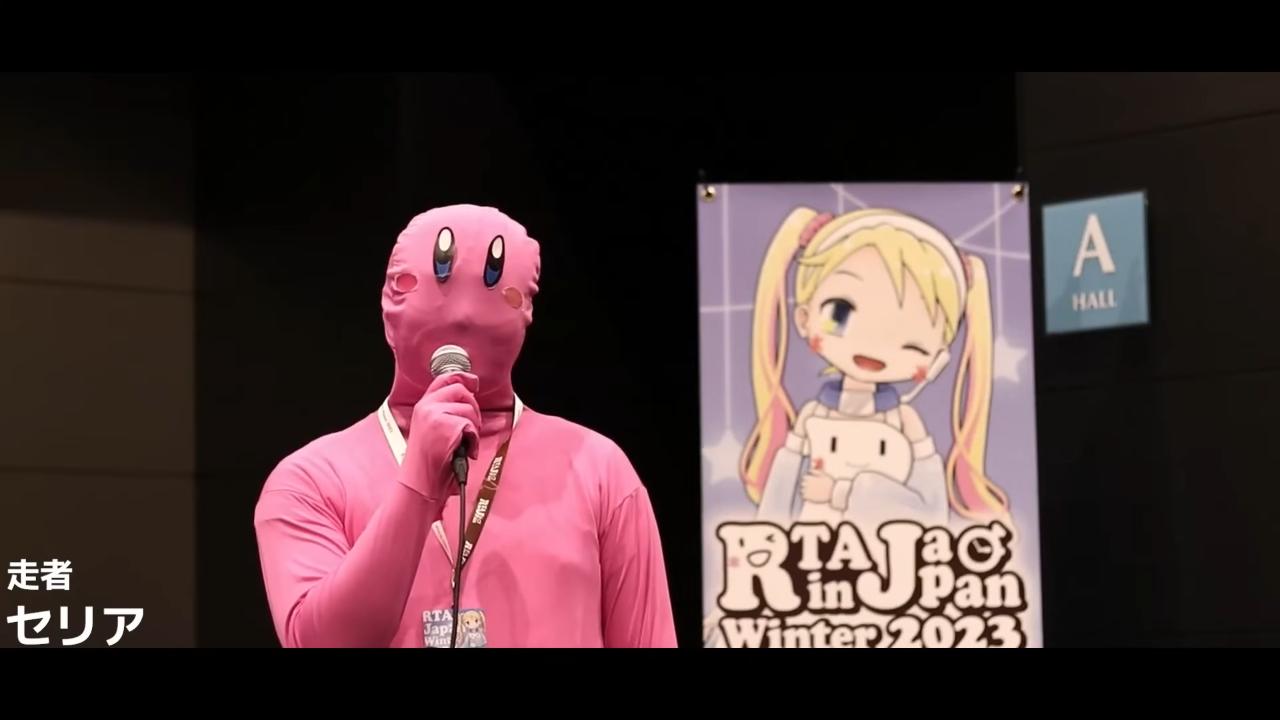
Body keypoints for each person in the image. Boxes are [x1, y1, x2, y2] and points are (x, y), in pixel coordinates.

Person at [253, 204, 677, 648]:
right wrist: (417, 486)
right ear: (391, 298)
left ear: (525, 307)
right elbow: (319, 641)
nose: (465, 314)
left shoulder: (596, 468)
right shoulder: (310, 480)